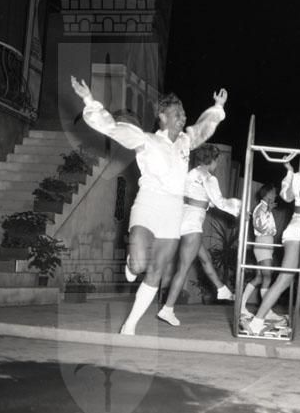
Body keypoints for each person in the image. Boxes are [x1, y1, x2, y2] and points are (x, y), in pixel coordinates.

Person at [71, 76, 228, 335]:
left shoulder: (186, 141)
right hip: (148, 203)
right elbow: (111, 127)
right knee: (139, 266)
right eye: (176, 114)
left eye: (183, 113)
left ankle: (129, 325)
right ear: (162, 117)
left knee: (156, 271)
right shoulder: (145, 139)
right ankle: (132, 263)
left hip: (173, 210)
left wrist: (217, 108)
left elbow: (203, 128)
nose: (182, 117)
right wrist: (89, 99)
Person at [243, 147, 300, 342]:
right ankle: (257, 322)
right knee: (285, 278)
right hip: (297, 233)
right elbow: (299, 195)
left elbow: (287, 195)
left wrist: (290, 172)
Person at [157, 144, 241, 326]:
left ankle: (221, 289)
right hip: (192, 224)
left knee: (205, 258)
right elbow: (220, 202)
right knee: (183, 269)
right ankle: (167, 309)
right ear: (212, 160)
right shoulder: (209, 178)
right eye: (217, 160)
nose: (217, 164)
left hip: (182, 219)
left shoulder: (192, 173)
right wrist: (240, 209)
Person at [239, 184, 286, 322]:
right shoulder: (261, 208)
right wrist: (268, 211)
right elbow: (260, 226)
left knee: (260, 278)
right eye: (274, 192)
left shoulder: (264, 208)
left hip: (266, 244)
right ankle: (267, 311)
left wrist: (269, 210)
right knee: (267, 277)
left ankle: (241, 306)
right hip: (263, 244)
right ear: (268, 193)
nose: (275, 195)